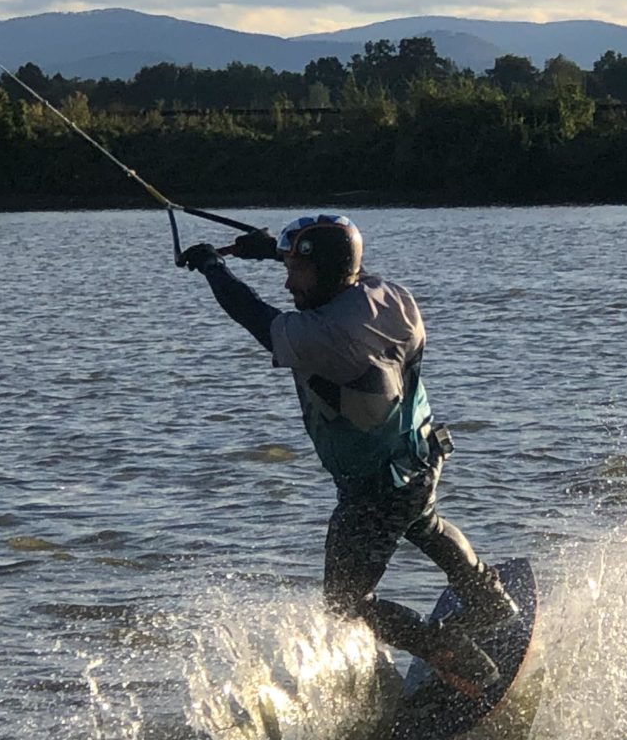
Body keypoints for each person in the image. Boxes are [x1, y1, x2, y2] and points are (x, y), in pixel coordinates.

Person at [179, 214, 517, 698]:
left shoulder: (323, 337)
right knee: (423, 521)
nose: (288, 283)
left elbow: (254, 315)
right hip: (420, 454)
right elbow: (340, 268)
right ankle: (488, 599)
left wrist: (214, 266)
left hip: (375, 486)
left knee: (345, 602)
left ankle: (458, 659)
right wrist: (273, 250)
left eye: (296, 272)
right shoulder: (388, 295)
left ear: (325, 273)